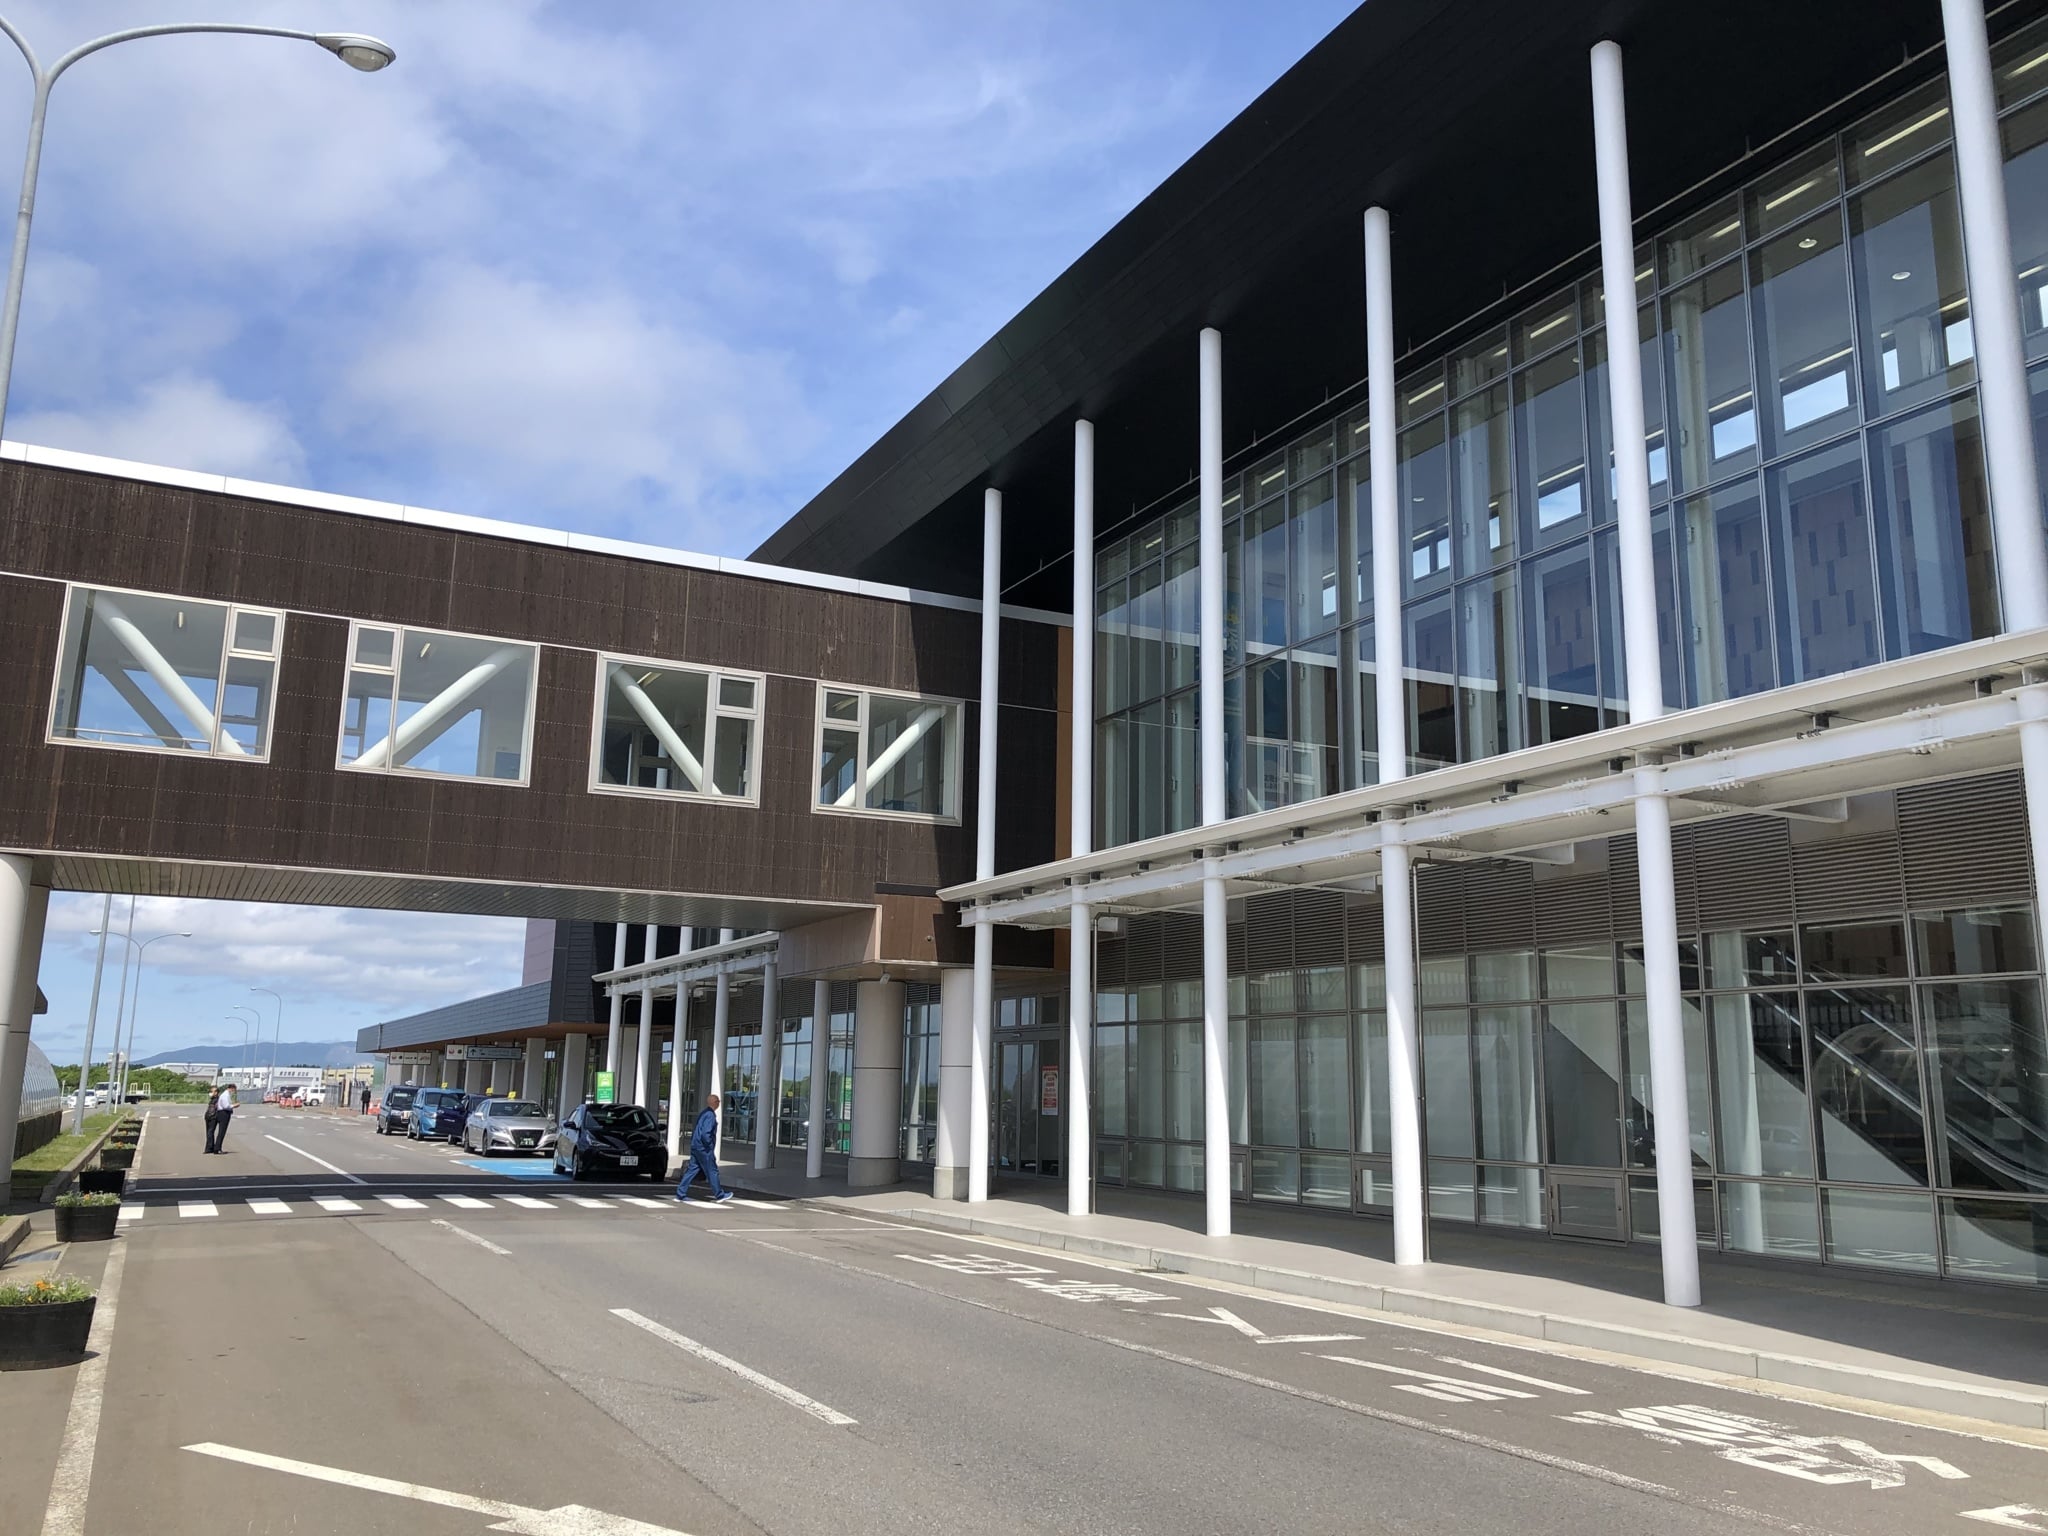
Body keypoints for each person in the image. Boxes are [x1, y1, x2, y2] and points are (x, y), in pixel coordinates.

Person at [673, 1092, 734, 1203]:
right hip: (704, 1148)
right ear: (715, 1103)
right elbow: (706, 1133)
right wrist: (709, 1146)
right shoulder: (710, 1116)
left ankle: (680, 1194)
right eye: (718, 1101)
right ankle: (719, 1195)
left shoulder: (703, 1113)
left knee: (692, 1170)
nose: (719, 1103)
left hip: (696, 1146)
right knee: (712, 1170)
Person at [207, 1082, 239, 1153]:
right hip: (223, 1113)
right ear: (231, 1089)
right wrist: (234, 1105)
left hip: (223, 1113)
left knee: (221, 1132)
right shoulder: (225, 1095)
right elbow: (226, 1106)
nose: (234, 1092)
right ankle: (217, 1148)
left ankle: (217, 1147)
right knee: (222, 1132)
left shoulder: (226, 1095)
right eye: (234, 1090)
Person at [203, 1084, 221, 1153]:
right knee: (209, 1133)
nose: (210, 1093)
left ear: (216, 1092)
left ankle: (209, 1148)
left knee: (210, 1133)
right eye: (211, 1091)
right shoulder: (212, 1099)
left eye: (212, 1091)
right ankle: (210, 1147)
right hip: (208, 1117)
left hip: (213, 1117)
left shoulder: (218, 1100)